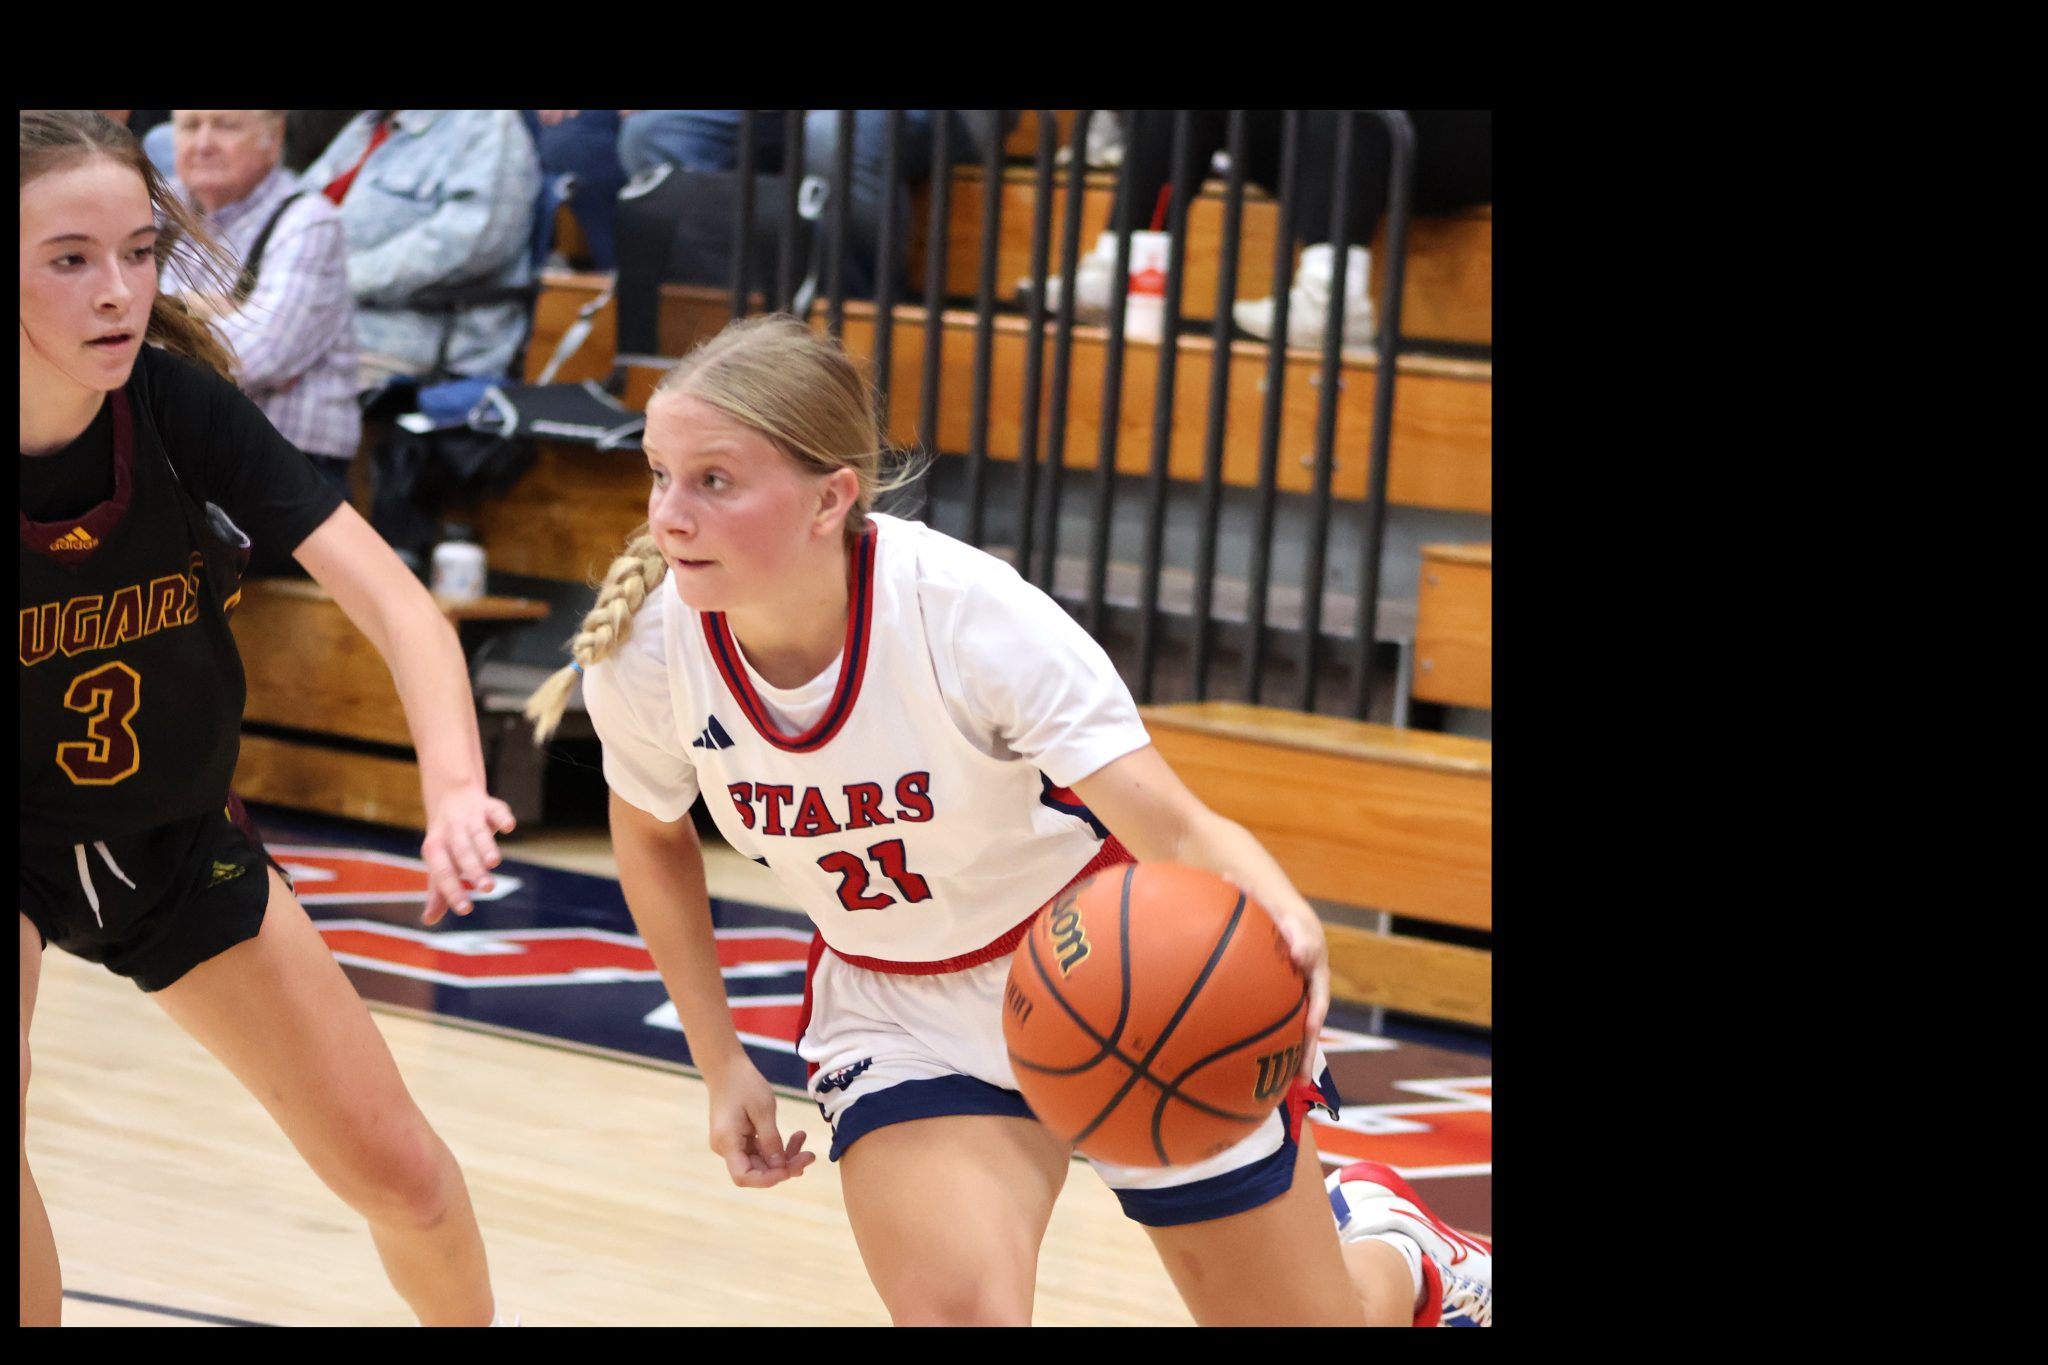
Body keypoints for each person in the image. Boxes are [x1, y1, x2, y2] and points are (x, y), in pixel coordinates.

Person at [523, 314, 1492, 1327]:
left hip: (1116, 969)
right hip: (899, 1007)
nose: (668, 516)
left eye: (713, 481)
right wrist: (720, 1059)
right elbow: (650, 834)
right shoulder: (648, 653)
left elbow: (1173, 825)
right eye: (659, 474)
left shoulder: (966, 615)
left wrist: (1281, 913)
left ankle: (1397, 1246)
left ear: (829, 498)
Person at [19, 109, 517, 1327]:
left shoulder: (175, 409)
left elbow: (397, 605)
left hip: (173, 833)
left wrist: (456, 785)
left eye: (140, 251)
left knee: (407, 1183)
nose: (119, 290)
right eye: (71, 259)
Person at [161, 109, 360, 541]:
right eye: (190, 126)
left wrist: (158, 321)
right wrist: (203, 311)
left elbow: (255, 357)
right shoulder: (160, 210)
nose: (203, 143)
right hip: (178, 463)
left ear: (274, 137)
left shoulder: (308, 220)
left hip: (287, 478)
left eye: (225, 126)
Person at [297, 110, 540, 389]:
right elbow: (297, 203)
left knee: (265, 372)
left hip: (400, 335)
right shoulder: (370, 122)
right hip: (313, 309)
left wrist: (336, 279)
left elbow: (471, 242)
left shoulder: (486, 124)